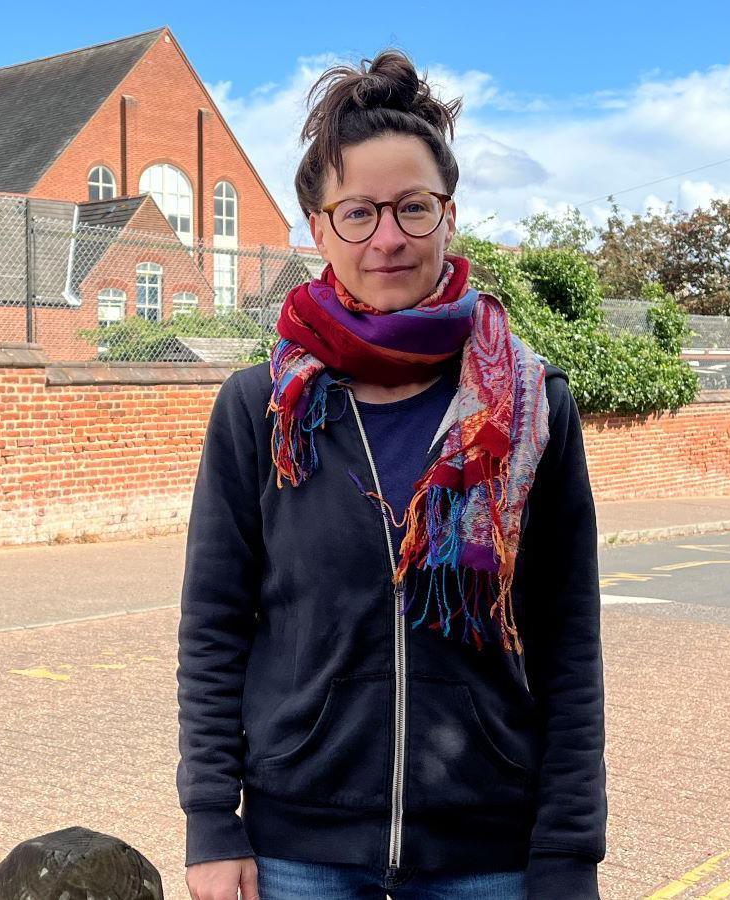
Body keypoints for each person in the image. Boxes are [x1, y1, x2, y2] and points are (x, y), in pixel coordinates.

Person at [176, 49, 606, 900]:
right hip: (301, 850)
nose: (389, 237)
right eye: (358, 212)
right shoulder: (260, 408)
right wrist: (210, 824)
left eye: (414, 207)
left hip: (488, 855)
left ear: (448, 215)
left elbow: (568, 641)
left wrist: (568, 852)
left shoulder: (531, 404)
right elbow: (215, 628)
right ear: (316, 227)